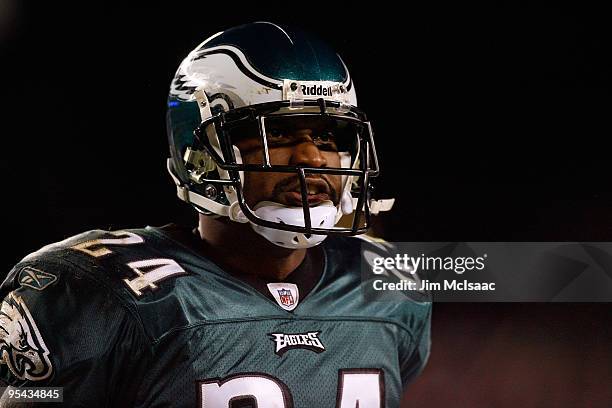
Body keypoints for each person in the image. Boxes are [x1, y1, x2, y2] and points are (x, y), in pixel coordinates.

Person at [0, 22, 430, 407]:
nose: (310, 156)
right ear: (200, 154)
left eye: (327, 136)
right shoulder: (92, 291)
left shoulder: (389, 284)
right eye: (277, 133)